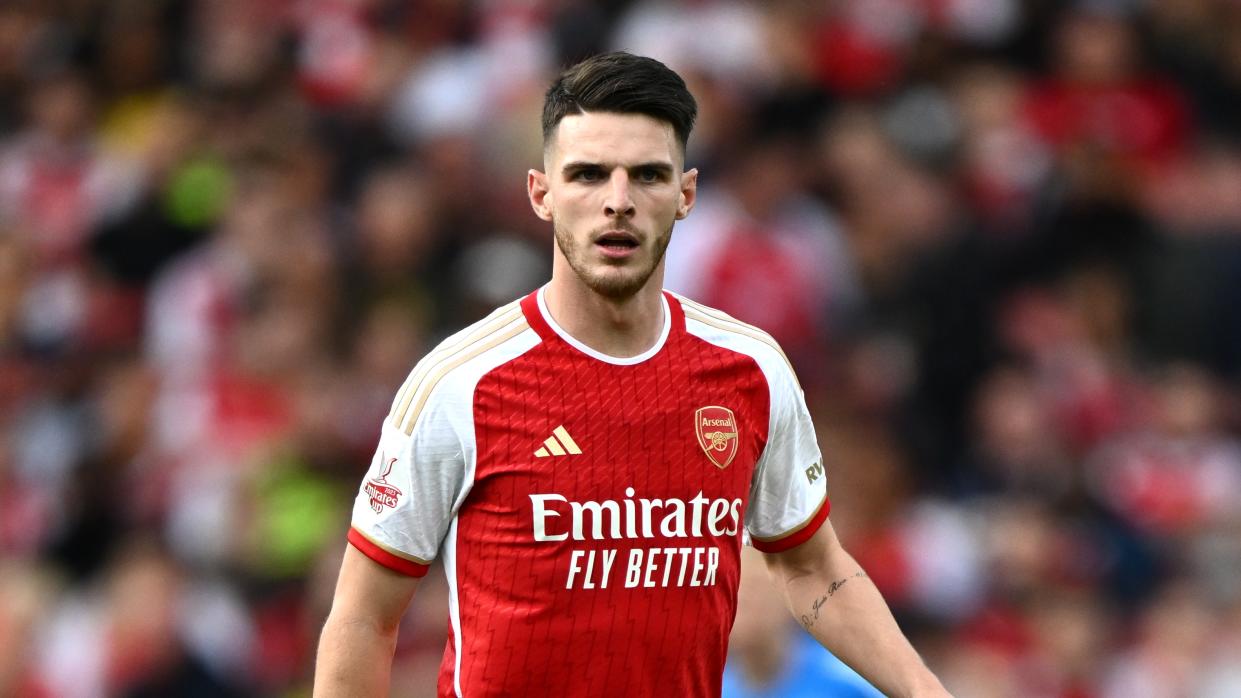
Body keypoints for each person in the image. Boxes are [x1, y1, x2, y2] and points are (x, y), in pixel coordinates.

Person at [314, 52, 948, 698]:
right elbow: (365, 615)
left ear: (685, 194)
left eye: (646, 175)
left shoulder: (750, 370)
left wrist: (926, 692)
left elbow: (812, 570)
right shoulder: (460, 381)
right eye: (588, 175)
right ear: (541, 193)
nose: (617, 202)